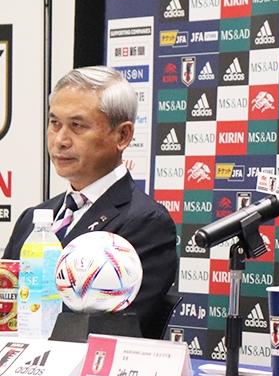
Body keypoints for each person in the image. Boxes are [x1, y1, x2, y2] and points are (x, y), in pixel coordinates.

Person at [3, 66, 178, 335]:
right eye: (54, 123)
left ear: (122, 135)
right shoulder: (33, 217)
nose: (60, 140)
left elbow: (107, 329)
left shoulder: (145, 222)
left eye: (77, 126)